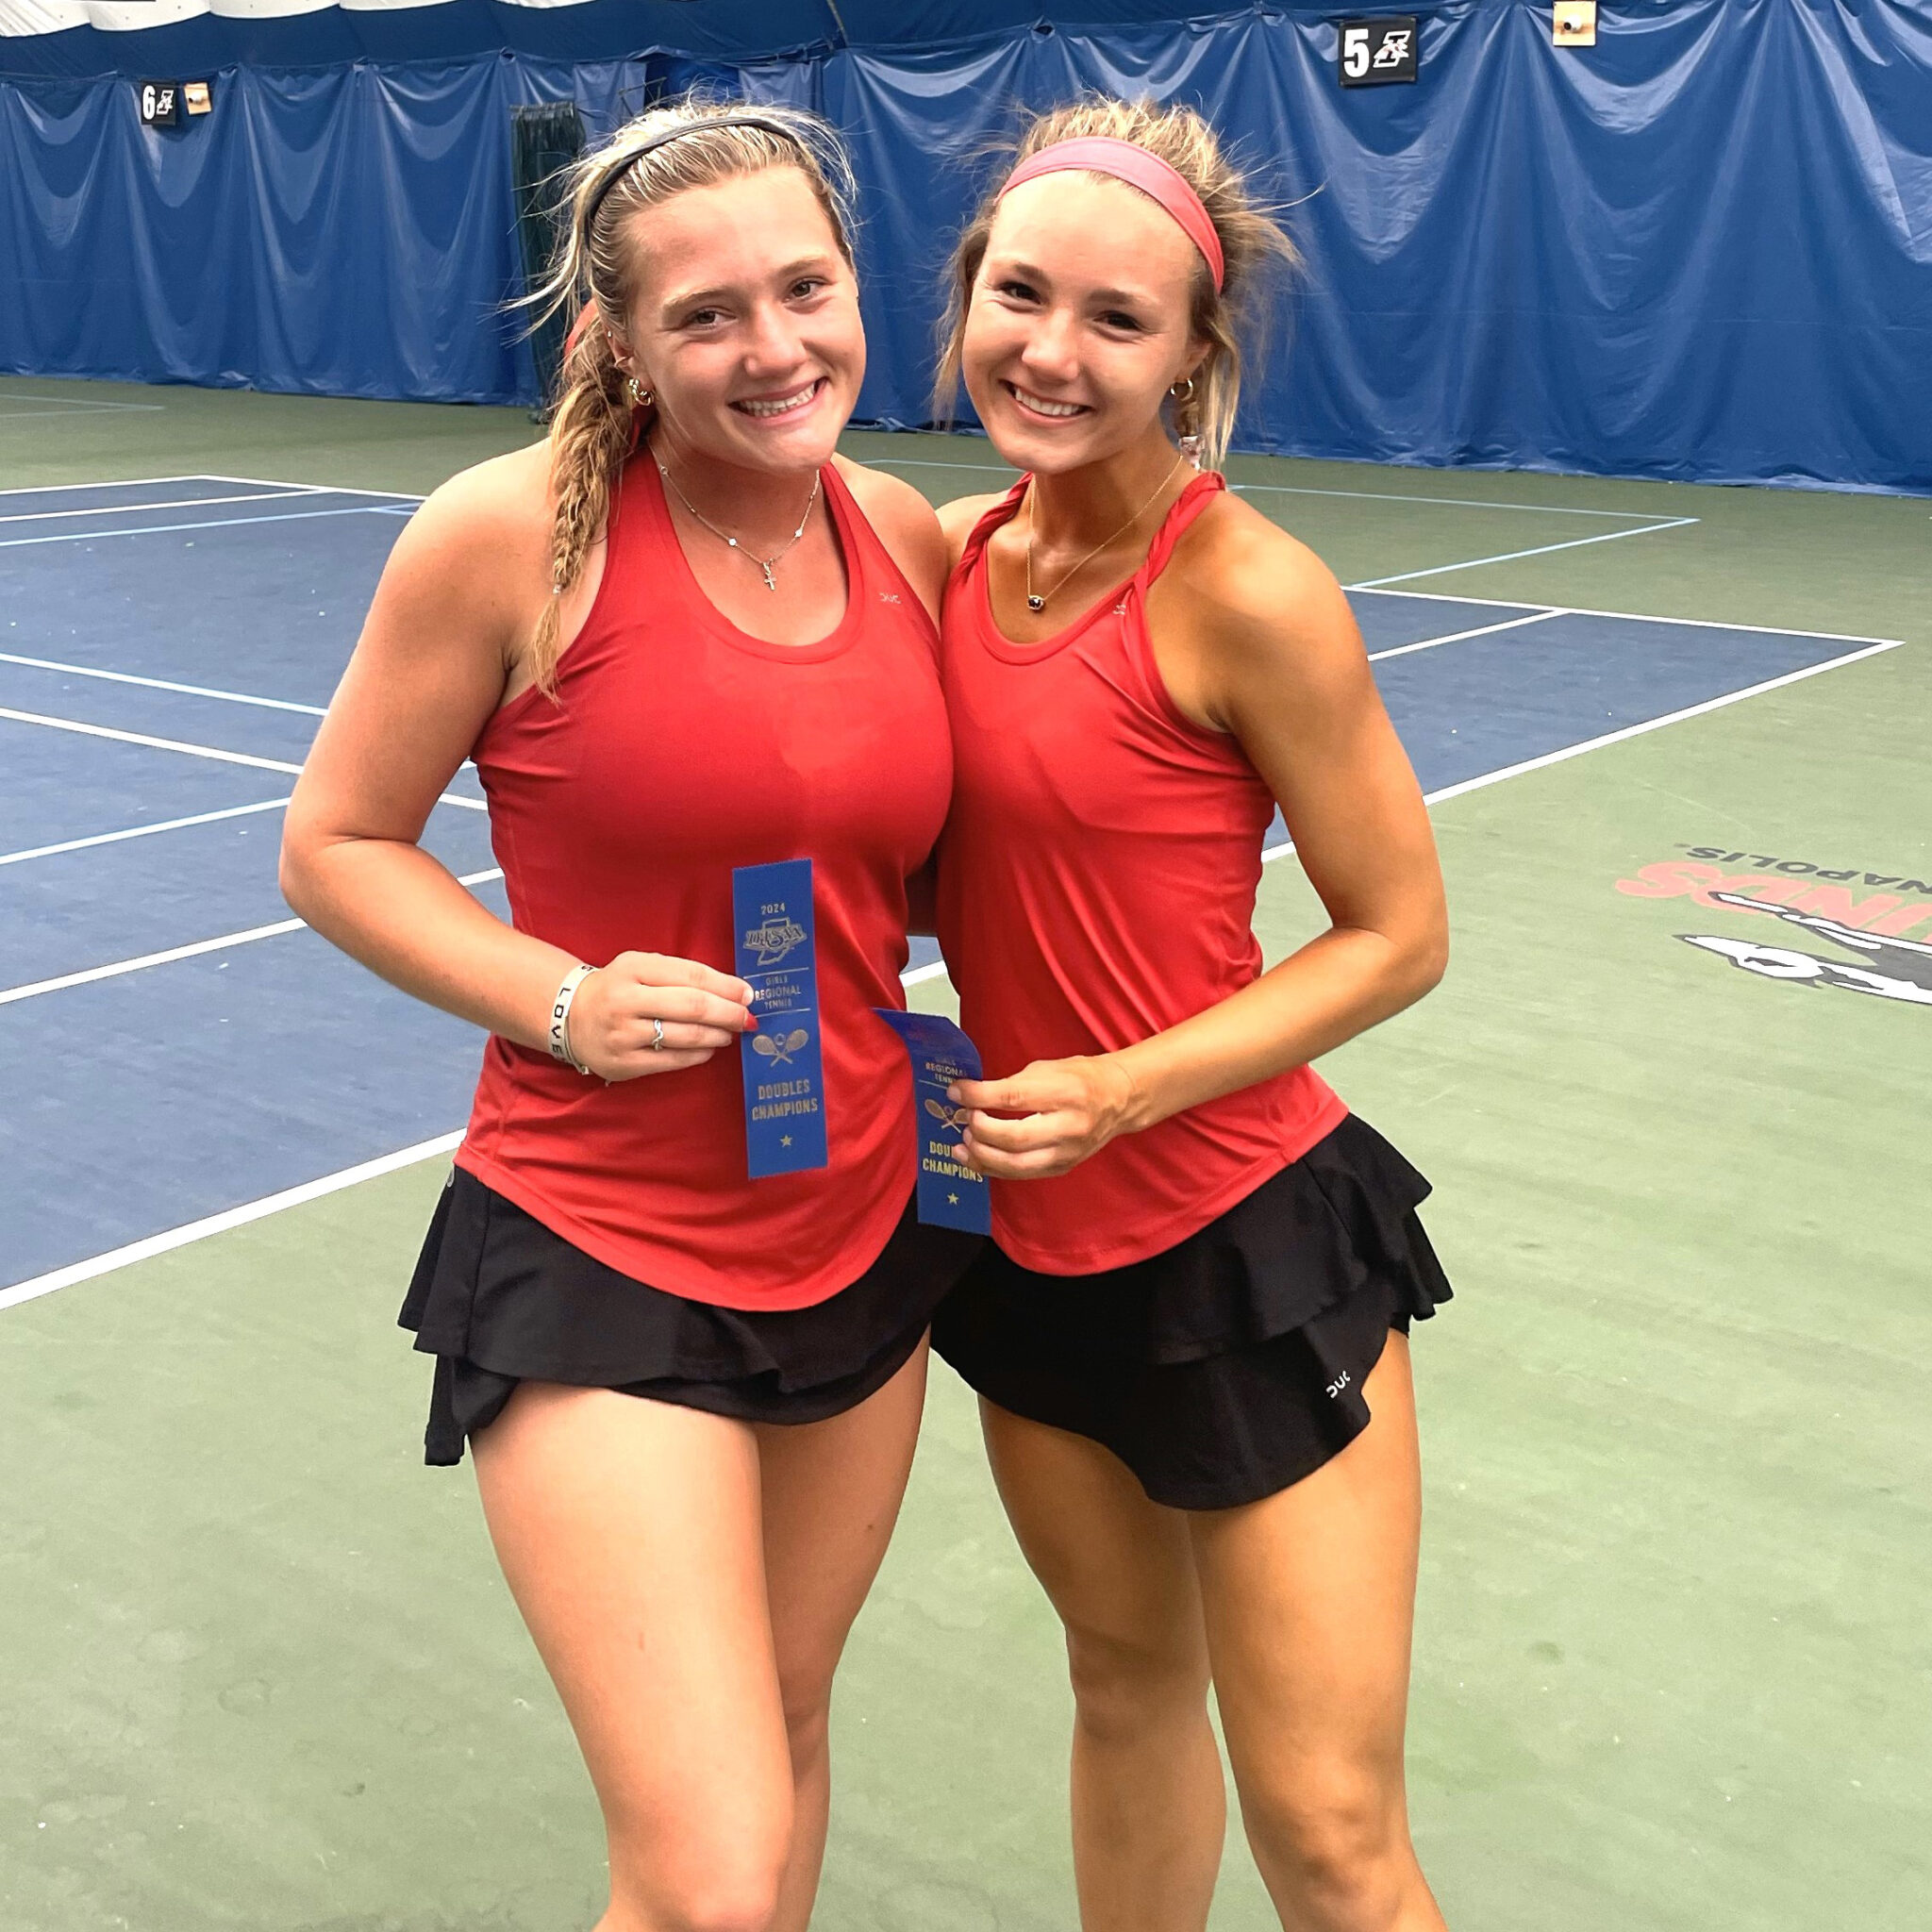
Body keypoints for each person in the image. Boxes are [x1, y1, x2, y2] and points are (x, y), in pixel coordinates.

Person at [279, 102, 978, 1932]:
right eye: (708, 315)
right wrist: (559, 996)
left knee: (792, 1723)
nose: (774, 347)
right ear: (615, 338)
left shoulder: (899, 534)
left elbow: (924, 870)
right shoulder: (509, 540)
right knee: (706, 1866)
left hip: (859, 1223)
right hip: (605, 1252)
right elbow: (336, 844)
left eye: (804, 288)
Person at [928, 98, 1455, 1931]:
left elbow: (1393, 935)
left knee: (1326, 1833)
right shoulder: (939, 560)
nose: (1051, 352)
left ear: (1194, 353)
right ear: (966, 292)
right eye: (1020, 294)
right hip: (1016, 1249)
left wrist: (1123, 1088)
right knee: (1118, 1690)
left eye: (1116, 320)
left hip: (1245, 1248)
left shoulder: (1248, 592)